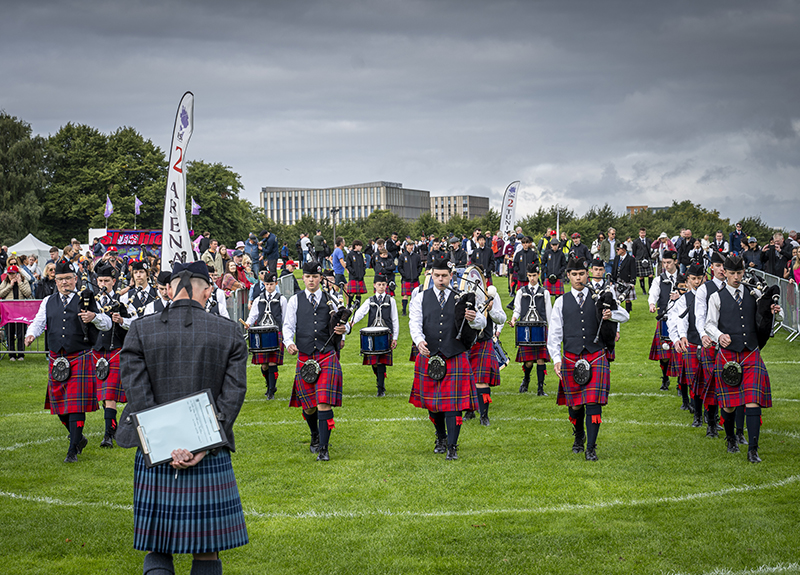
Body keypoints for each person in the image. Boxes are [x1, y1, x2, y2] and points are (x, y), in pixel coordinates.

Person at [116, 260, 248, 573]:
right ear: (204, 291)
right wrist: (201, 445)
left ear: (171, 289)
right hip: (209, 451)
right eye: (209, 291)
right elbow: (232, 396)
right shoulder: (229, 332)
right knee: (206, 549)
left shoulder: (140, 329)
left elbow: (136, 392)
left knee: (158, 545)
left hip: (154, 450)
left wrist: (163, 443)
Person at [24, 261, 111, 462]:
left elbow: (106, 324)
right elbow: (39, 322)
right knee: (60, 407)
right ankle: (78, 438)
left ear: (75, 279)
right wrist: (30, 334)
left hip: (79, 356)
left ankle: (72, 450)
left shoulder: (86, 298)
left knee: (76, 406)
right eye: (60, 279)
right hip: (57, 358)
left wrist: (94, 317)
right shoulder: (48, 301)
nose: (64, 283)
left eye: (68, 279)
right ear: (55, 281)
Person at [548, 257, 629, 461]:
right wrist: (556, 358)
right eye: (574, 275)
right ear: (568, 276)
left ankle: (591, 448)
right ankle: (579, 436)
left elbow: (625, 316)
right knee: (575, 406)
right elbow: (555, 334)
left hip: (596, 355)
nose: (578, 278)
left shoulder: (599, 297)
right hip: (571, 356)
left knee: (593, 403)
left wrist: (611, 314)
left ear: (588, 274)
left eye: (582, 274)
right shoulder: (561, 302)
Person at [704, 255, 781, 463]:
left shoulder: (753, 294)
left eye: (739, 273)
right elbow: (709, 324)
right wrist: (719, 335)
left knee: (752, 401)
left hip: (751, 352)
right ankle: (730, 438)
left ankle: (753, 450)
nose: (736, 277)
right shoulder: (716, 297)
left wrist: (772, 311)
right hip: (728, 354)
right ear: (724, 274)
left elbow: (762, 317)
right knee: (728, 404)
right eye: (732, 274)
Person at [409, 259, 486, 460]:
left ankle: (452, 445)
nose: (441, 279)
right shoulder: (420, 298)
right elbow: (415, 322)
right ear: (431, 276)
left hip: (455, 355)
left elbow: (482, 322)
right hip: (430, 355)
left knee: (453, 405)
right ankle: (440, 438)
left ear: (451, 276)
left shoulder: (462, 298)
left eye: (444, 276)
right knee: (434, 405)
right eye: (437, 276)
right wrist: (419, 341)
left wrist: (473, 318)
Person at [283, 261, 348, 461]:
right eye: (308, 277)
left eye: (315, 277)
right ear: (303, 278)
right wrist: (288, 342)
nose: (311, 280)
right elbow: (288, 325)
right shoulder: (295, 300)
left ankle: (324, 449)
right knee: (309, 406)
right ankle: (315, 434)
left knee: (323, 403)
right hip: (304, 355)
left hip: (327, 354)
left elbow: (343, 324)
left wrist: (343, 333)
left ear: (321, 278)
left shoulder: (332, 299)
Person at [91, 263, 135, 448]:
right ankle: (113, 427)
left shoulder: (121, 303)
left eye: (106, 281)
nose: (102, 284)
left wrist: (121, 320)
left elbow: (133, 325)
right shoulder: (90, 302)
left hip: (114, 350)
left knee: (109, 395)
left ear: (114, 282)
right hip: (95, 351)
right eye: (100, 280)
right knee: (102, 395)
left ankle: (108, 434)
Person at [668, 263, 707, 418]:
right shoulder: (683, 300)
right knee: (693, 380)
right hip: (691, 341)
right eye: (693, 279)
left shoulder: (711, 296)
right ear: (688, 280)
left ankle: (709, 414)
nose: (697, 282)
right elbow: (677, 321)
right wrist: (678, 338)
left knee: (709, 380)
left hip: (708, 342)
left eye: (699, 278)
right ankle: (696, 411)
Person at [350, 274, 399, 397]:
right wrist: (352, 321)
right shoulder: (370, 300)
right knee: (373, 362)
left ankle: (380, 388)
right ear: (374, 285)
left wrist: (395, 337)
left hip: (386, 334)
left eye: (383, 285)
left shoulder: (391, 300)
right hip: (372, 334)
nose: (381, 287)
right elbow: (361, 312)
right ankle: (380, 378)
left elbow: (395, 319)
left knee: (381, 361)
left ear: (386, 286)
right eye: (379, 285)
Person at [468, 273, 506, 425]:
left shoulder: (491, 295)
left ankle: (484, 415)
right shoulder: (464, 293)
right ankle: (469, 411)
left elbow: (501, 318)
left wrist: (490, 309)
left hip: (483, 341)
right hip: (465, 342)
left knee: (481, 380)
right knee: (466, 379)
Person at [511, 263, 552, 395]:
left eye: (534, 275)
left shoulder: (544, 292)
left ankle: (540, 388)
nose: (532, 278)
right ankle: (526, 379)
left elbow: (549, 313)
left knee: (540, 359)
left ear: (538, 275)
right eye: (529, 276)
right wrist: (513, 320)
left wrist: (551, 331)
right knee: (528, 362)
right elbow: (517, 309)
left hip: (540, 329)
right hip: (525, 330)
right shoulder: (521, 292)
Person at [245, 272, 287, 399]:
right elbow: (253, 315)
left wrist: (286, 335)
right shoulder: (258, 299)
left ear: (276, 284)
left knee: (273, 362)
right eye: (267, 284)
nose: (269, 287)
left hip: (276, 332)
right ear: (264, 284)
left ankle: (271, 391)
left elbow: (285, 318)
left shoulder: (282, 299)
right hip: (262, 333)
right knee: (264, 364)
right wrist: (248, 323)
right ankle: (269, 385)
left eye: (271, 284)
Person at [647, 250, 682, 391]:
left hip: (681, 320)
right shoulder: (658, 279)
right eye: (664, 263)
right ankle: (665, 378)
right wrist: (651, 304)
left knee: (681, 352)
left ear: (675, 262)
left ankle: (681, 383)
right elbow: (653, 293)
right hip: (665, 319)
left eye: (668, 262)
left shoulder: (683, 278)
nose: (666, 265)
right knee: (665, 353)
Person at [0, 264, 32, 360]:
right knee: (10, 333)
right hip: (9, 312)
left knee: (20, 333)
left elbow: (28, 293)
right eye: (9, 274)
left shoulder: (23, 281)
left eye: (13, 274)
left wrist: (19, 283)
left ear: (17, 274)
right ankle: (12, 354)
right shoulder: (5, 282)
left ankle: (21, 354)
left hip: (20, 311)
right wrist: (10, 286)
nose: (11, 276)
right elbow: (0, 293)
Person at [398, 241, 422, 316]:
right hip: (406, 279)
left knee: (416, 296)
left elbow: (420, 266)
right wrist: (404, 275)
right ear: (406, 246)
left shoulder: (417, 256)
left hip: (415, 279)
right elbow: (399, 267)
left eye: (412, 245)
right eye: (409, 245)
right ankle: (404, 311)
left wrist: (417, 274)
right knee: (405, 295)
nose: (411, 247)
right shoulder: (402, 256)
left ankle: (416, 310)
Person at [611, 243, 637, 313]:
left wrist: (632, 282)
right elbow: (614, 269)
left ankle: (627, 311)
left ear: (623, 250)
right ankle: (617, 311)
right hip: (618, 280)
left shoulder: (630, 259)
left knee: (627, 298)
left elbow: (633, 271)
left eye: (618, 249)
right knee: (617, 297)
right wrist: (611, 279)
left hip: (627, 280)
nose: (616, 251)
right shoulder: (616, 258)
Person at [632, 228, 654, 295]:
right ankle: (644, 290)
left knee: (650, 275)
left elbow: (650, 248)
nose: (643, 234)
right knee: (641, 276)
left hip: (648, 258)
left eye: (644, 233)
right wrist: (638, 257)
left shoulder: (648, 240)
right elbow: (634, 251)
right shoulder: (635, 241)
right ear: (639, 233)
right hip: (639, 259)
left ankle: (650, 290)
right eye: (641, 233)